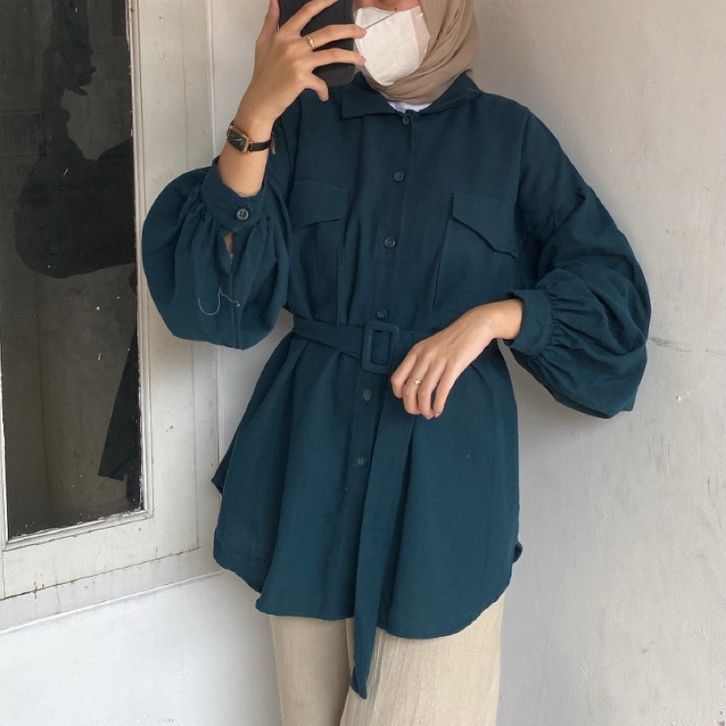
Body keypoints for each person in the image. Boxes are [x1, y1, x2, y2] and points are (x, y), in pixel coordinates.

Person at [140, 0, 651, 723]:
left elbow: (614, 307)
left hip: (444, 490)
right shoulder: (303, 125)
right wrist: (255, 112)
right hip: (311, 469)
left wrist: (496, 318)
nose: (377, 10)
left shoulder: (510, 139)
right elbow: (211, 302)